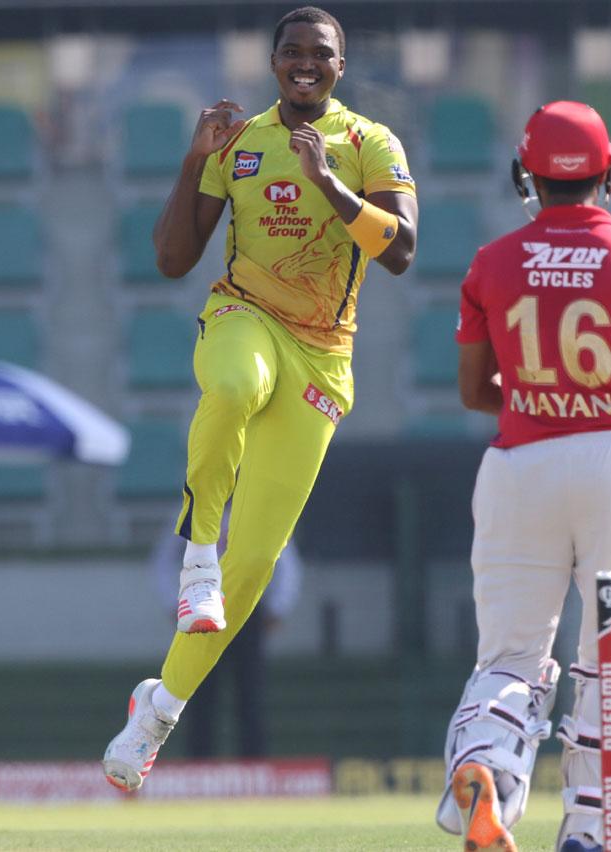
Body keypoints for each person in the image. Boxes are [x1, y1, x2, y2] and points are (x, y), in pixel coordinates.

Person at [103, 5, 417, 792]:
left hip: (322, 359)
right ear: (272, 61)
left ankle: (156, 712)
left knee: (258, 566)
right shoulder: (238, 142)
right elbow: (175, 259)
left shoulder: (369, 142)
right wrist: (192, 160)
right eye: (292, 52)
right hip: (244, 315)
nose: (305, 64)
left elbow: (404, 252)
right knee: (236, 384)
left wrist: (328, 184)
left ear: (340, 67)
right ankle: (196, 553)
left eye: (321, 54)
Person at [435, 101, 611, 852]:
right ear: (608, 172)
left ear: (525, 175)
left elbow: (474, 391)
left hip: (519, 463)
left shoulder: (491, 263)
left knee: (514, 657)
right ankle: (589, 832)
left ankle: (486, 770)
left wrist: (543, 392)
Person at [149, 513, 302, 758]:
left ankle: (254, 767)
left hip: (245, 609)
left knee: (250, 692)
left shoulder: (256, 506)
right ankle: (200, 766)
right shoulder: (195, 505)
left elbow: (285, 560)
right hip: (202, 606)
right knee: (200, 693)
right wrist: (172, 603)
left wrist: (278, 606)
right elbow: (164, 559)